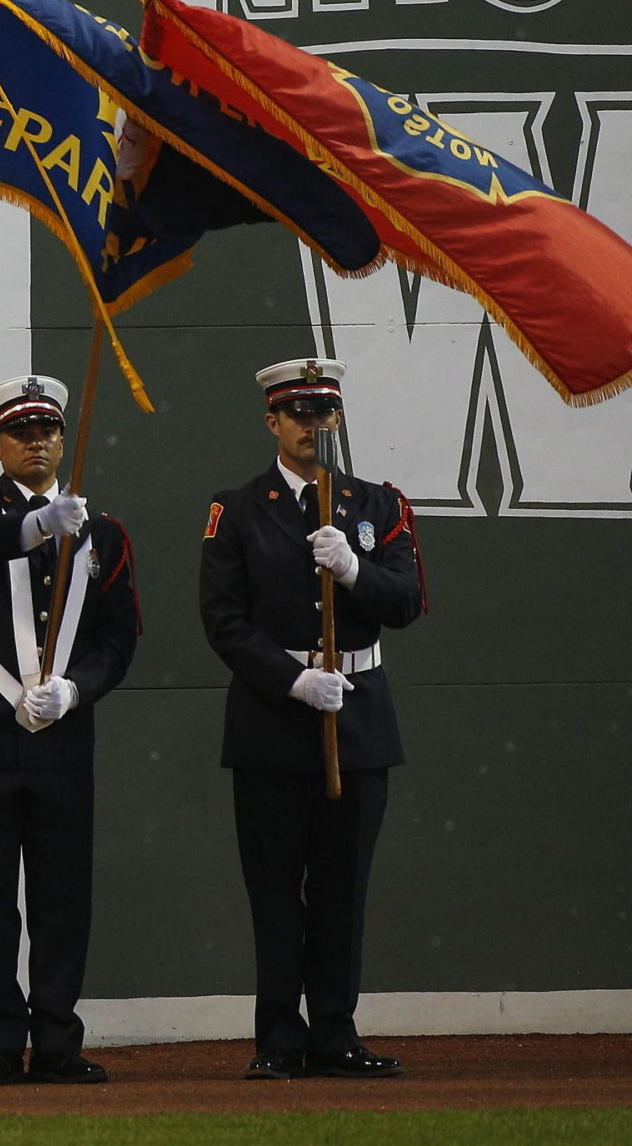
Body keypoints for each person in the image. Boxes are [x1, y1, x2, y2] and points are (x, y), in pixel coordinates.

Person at [202, 357, 424, 1080]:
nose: (311, 425)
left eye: (322, 412)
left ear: (337, 419)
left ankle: (334, 1031)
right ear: (272, 420)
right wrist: (293, 680)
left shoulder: (377, 505)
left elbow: (407, 601)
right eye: (297, 413)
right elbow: (224, 620)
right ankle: (278, 1036)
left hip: (358, 717)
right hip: (273, 719)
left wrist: (356, 571)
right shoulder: (238, 510)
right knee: (274, 892)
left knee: (341, 891)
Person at [0, 375, 141, 1086]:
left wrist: (77, 690)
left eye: (48, 430)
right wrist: (41, 525)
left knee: (61, 898)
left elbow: (118, 636)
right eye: (21, 432)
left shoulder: (102, 531)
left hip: (61, 737)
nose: (37, 442)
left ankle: (56, 1039)